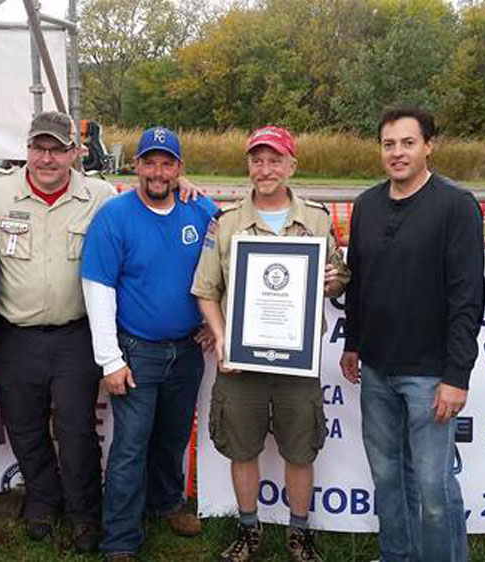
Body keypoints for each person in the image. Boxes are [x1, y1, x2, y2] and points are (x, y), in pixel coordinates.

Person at [192, 126, 349, 562]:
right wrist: (222, 338)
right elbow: (206, 290)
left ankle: (299, 534)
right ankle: (249, 530)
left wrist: (333, 280)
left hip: (297, 362)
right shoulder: (225, 223)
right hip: (241, 363)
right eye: (257, 161)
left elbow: (338, 277)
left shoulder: (316, 219)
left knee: (300, 450)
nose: (265, 170)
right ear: (248, 166)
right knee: (242, 449)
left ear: (291, 165)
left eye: (275, 160)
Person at [339, 106, 484, 562]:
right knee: (387, 478)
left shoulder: (456, 205)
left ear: (428, 146)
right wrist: (353, 342)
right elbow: (359, 281)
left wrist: (456, 376)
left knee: (433, 487)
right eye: (389, 144)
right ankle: (396, 555)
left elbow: (467, 297)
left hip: (430, 373)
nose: (397, 152)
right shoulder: (366, 205)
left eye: (407, 142)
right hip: (376, 369)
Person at [0, 111, 115, 552]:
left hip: (75, 335)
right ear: (26, 150)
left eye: (58, 149)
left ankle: (83, 513)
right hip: (15, 334)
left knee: (77, 430)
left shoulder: (101, 196)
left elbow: (145, 214)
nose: (47, 158)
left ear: (77, 153)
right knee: (24, 425)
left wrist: (186, 189)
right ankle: (42, 499)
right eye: (39, 147)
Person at [80, 127, 217, 562]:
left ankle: (167, 502)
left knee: (173, 438)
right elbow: (98, 288)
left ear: (180, 168)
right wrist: (110, 360)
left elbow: (234, 261)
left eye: (167, 163)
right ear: (136, 165)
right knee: (131, 446)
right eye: (150, 162)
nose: (158, 172)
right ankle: (120, 537)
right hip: (137, 351)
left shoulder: (200, 209)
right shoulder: (115, 216)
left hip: (187, 350)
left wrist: (216, 323)